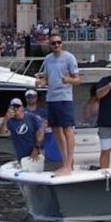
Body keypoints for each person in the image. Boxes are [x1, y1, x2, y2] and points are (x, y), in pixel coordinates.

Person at [35, 35, 81, 175]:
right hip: (51, 98)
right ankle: (66, 163)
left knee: (67, 129)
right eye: (53, 43)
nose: (56, 45)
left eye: (58, 42)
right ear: (50, 45)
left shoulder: (69, 58)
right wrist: (41, 83)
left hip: (64, 98)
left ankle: (68, 165)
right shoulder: (48, 59)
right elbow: (46, 78)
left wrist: (68, 80)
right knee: (56, 130)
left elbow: (77, 79)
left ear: (62, 44)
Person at [0, 97, 45, 165]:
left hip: (36, 153)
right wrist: (6, 118)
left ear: (22, 108)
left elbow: (41, 132)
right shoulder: (10, 121)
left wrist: (36, 148)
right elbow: (2, 132)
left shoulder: (31, 117)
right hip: (21, 157)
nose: (15, 109)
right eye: (13, 107)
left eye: (18, 106)